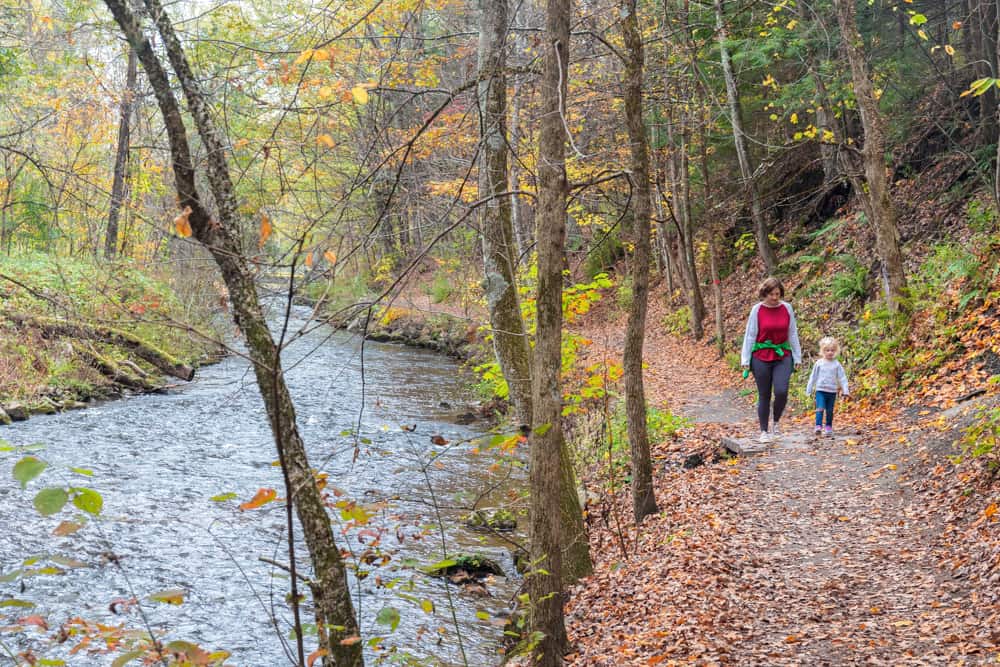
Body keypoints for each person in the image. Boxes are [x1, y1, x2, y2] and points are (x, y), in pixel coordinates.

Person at [741, 277, 802, 443]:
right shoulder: (757, 310)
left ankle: (775, 422)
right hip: (761, 355)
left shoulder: (787, 308)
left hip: (782, 354)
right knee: (764, 394)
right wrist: (745, 359)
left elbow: (792, 333)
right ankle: (764, 431)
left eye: (778, 294)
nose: (775, 298)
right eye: (771, 294)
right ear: (764, 294)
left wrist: (797, 355)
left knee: (781, 391)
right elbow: (750, 335)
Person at [805, 336, 850, 436]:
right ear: (822, 351)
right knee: (820, 408)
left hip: (832, 391)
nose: (830, 352)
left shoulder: (836, 364)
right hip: (820, 390)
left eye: (832, 350)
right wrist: (809, 390)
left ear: (836, 351)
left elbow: (842, 378)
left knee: (829, 410)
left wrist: (845, 390)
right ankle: (818, 426)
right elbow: (813, 377)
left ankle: (828, 426)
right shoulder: (819, 363)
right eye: (827, 350)